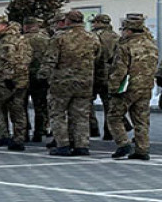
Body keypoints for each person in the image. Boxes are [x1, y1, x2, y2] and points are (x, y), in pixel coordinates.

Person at [44, 9, 100, 157]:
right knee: (81, 115)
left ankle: (63, 145)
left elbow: (50, 59)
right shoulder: (92, 37)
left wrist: (43, 76)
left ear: (68, 21)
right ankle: (82, 145)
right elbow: (97, 56)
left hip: (62, 82)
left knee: (58, 114)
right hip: (85, 82)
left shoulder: (59, 37)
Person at [107, 13, 157, 160]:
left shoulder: (125, 46)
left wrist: (113, 88)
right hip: (146, 86)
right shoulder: (151, 45)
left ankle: (123, 144)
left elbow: (120, 70)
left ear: (129, 30)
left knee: (114, 116)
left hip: (128, 87)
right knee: (141, 119)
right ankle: (142, 149)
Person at [0, 16, 32, 150]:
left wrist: (8, 78)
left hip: (7, 78)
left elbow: (10, 61)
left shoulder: (6, 41)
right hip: (22, 78)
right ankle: (19, 139)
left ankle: (3, 134)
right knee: (18, 109)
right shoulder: (22, 38)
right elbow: (28, 57)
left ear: (4, 26)